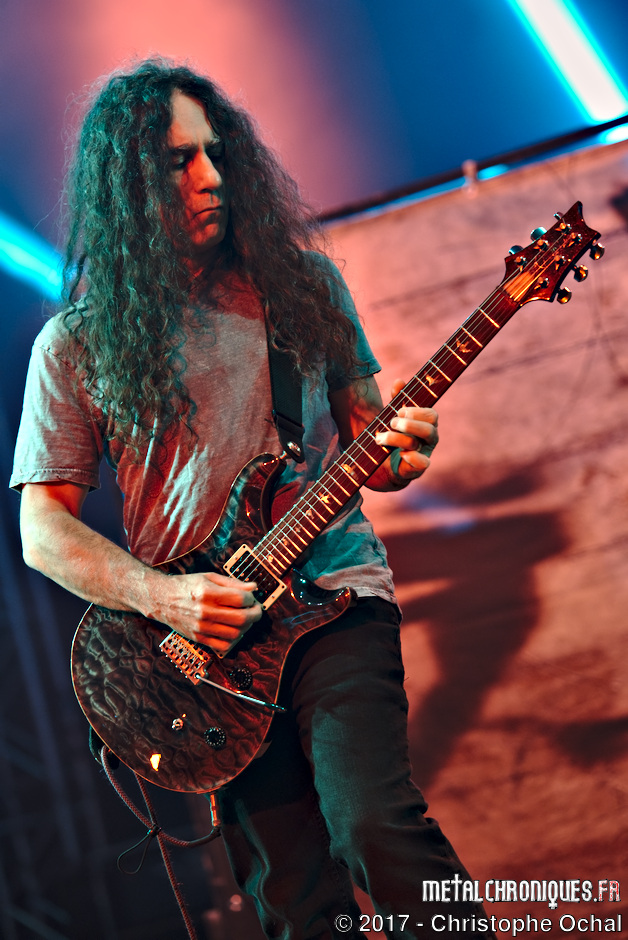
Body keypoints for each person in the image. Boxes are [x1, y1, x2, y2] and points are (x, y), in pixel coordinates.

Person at [11, 60, 495, 940]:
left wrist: (404, 454)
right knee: (295, 900)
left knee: (374, 825)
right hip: (210, 653)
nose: (211, 177)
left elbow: (371, 443)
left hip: (335, 598)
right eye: (178, 162)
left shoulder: (302, 287)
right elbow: (42, 532)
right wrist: (166, 598)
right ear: (126, 187)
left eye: (215, 153)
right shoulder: (73, 346)